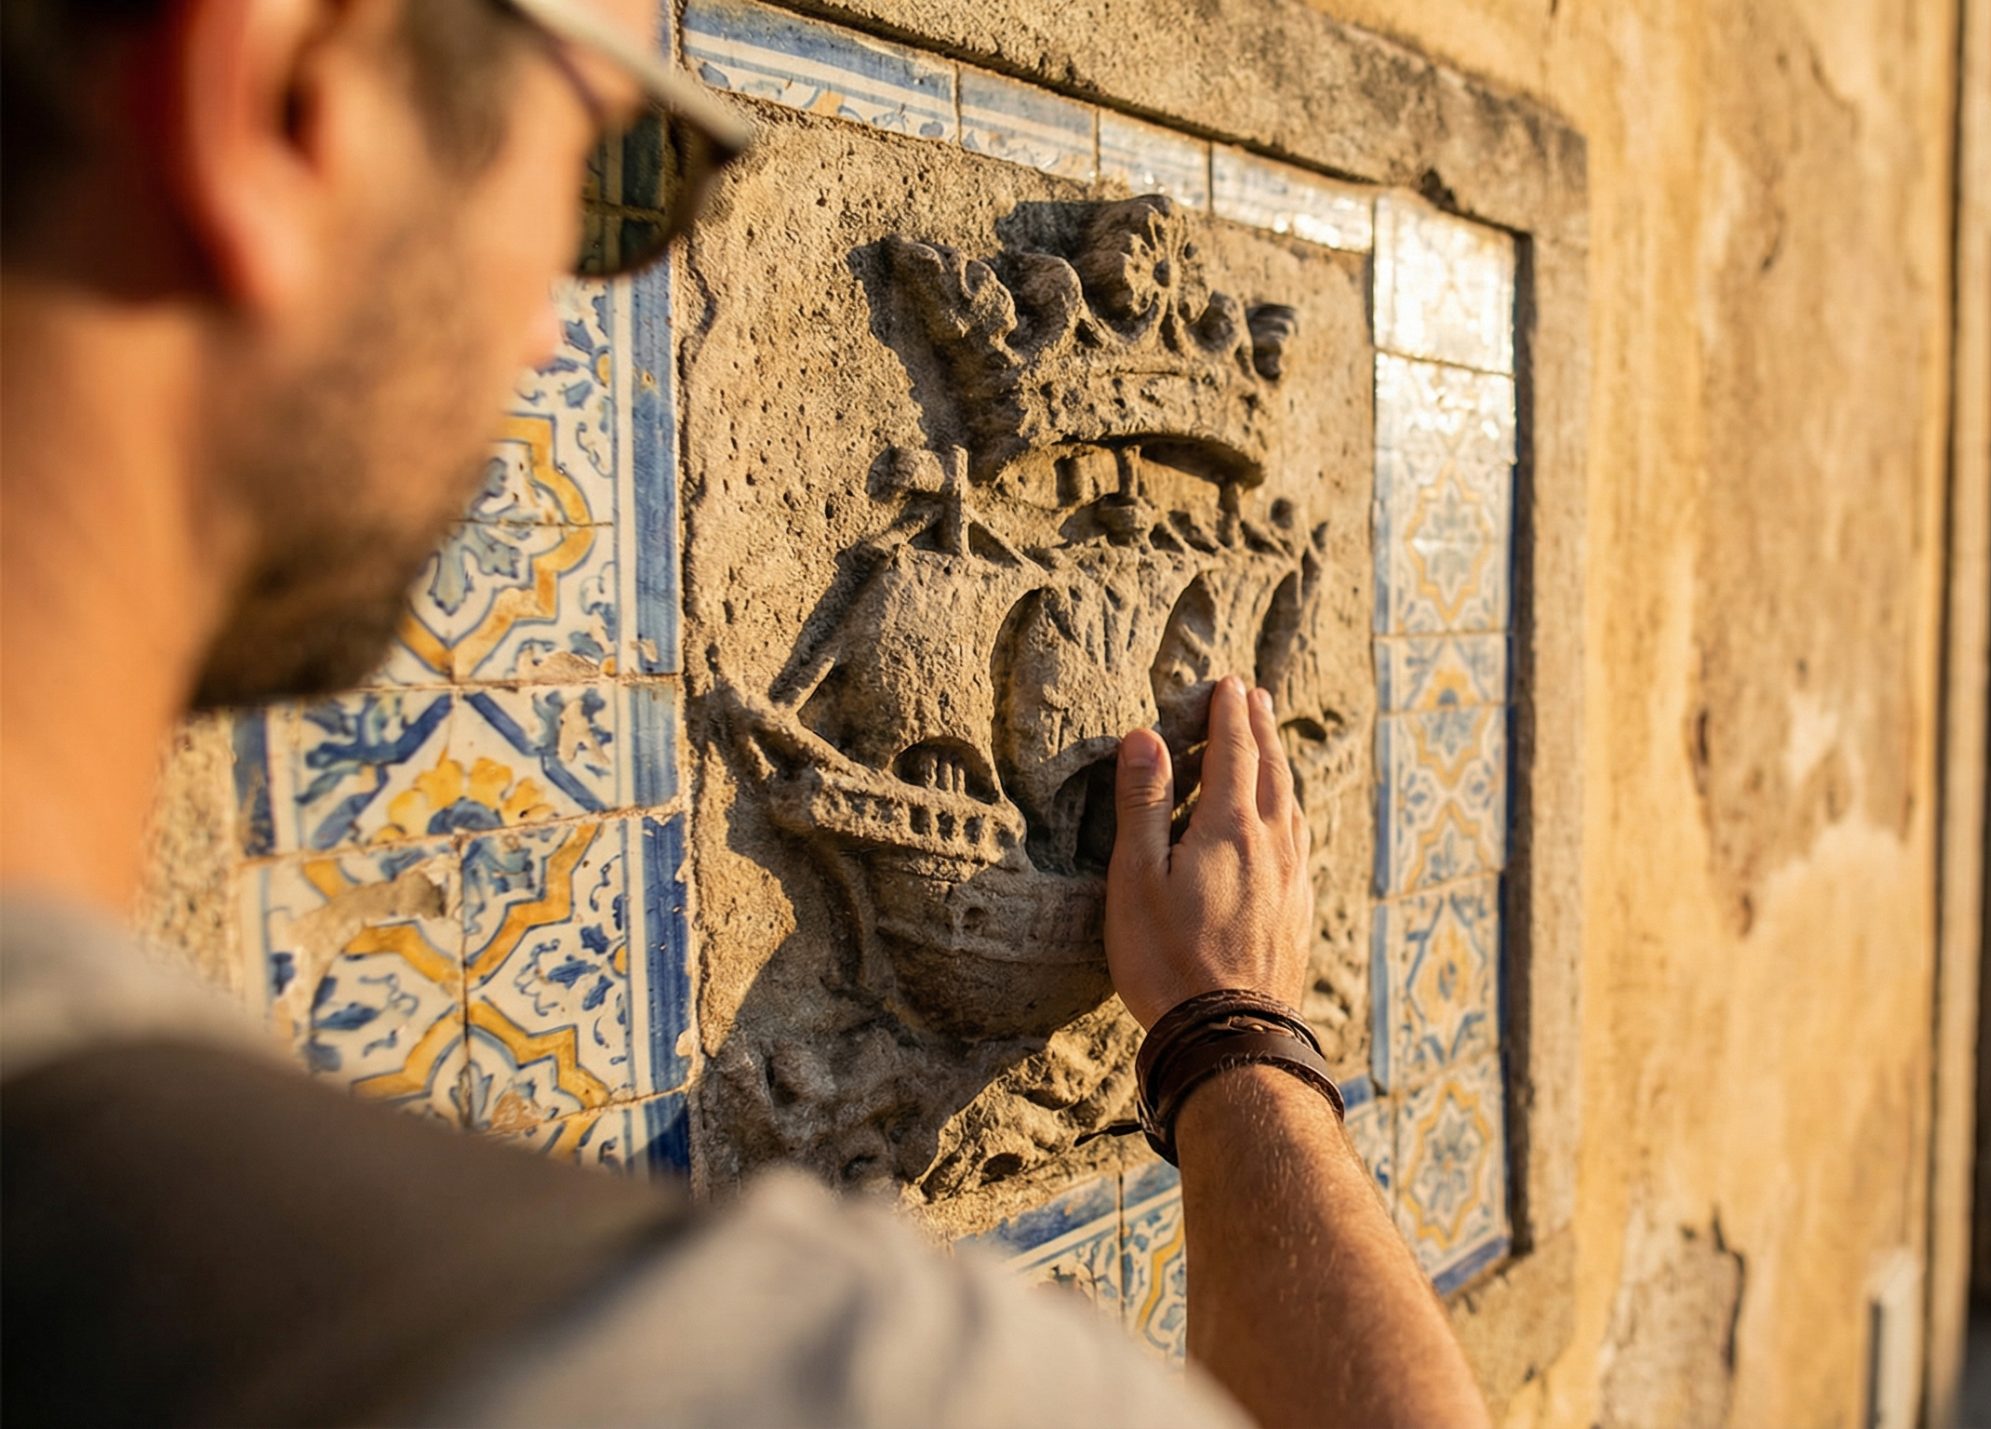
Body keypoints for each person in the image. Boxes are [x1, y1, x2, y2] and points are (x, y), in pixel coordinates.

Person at [0, 1, 1491, 1424]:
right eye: (618, 167)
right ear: (277, 98)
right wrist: (1232, 1037)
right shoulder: (809, 1373)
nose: (552, 329)